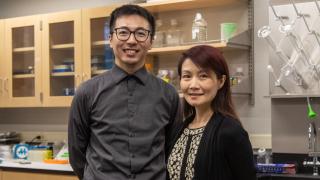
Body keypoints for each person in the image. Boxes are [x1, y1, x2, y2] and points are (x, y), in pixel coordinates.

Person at [68, 4, 180, 180]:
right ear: (111, 39)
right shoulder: (87, 92)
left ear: (151, 41)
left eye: (141, 33)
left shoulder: (169, 94)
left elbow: (172, 149)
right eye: (123, 32)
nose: (132, 40)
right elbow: (76, 153)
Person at [167, 45, 256, 180]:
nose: (193, 85)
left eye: (203, 76)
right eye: (187, 76)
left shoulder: (231, 132)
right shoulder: (180, 129)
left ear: (221, 81)